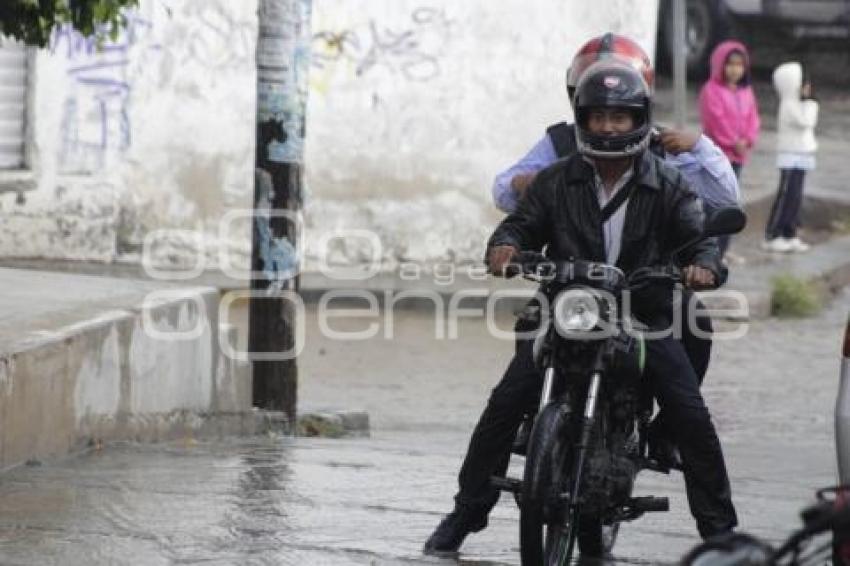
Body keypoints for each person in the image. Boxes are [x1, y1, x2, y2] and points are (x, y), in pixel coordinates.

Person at [423, 61, 738, 557]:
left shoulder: (669, 183)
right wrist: (504, 248)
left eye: (620, 116)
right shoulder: (554, 181)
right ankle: (465, 512)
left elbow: (699, 236)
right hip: (564, 309)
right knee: (505, 403)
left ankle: (720, 536)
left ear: (640, 119)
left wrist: (704, 265)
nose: (609, 126)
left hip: (642, 317)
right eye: (598, 117)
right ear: (582, 119)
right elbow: (519, 226)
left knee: (690, 414)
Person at [762, 62, 819, 253]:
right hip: (789, 156)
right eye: (803, 83)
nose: (807, 88)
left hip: (802, 155)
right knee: (786, 194)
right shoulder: (790, 105)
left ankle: (789, 232)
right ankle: (773, 234)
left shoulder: (800, 105)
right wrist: (811, 103)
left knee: (796, 197)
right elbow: (807, 122)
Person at [698, 40, 760, 180]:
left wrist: (748, 140)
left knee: (732, 191)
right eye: (730, 64)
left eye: (739, 65)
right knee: (716, 193)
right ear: (720, 64)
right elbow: (715, 120)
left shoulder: (746, 91)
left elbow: (753, 117)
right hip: (717, 154)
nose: (735, 69)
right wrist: (733, 142)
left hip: (739, 155)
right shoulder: (711, 90)